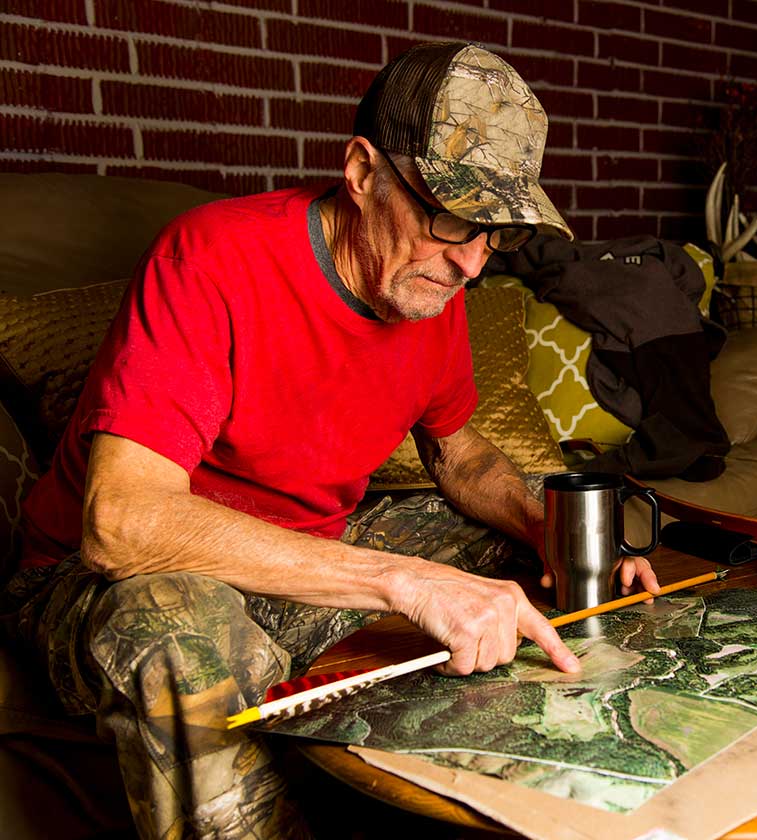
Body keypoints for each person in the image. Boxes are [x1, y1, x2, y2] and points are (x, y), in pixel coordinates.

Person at [4, 41, 659, 838]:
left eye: (496, 232)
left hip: (306, 553)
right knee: (182, 632)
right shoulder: (213, 255)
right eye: (451, 215)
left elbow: (460, 453)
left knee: (526, 567)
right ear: (361, 171)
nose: (470, 261)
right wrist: (407, 583)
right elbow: (122, 525)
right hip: (108, 578)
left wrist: (550, 532)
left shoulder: (430, 286)